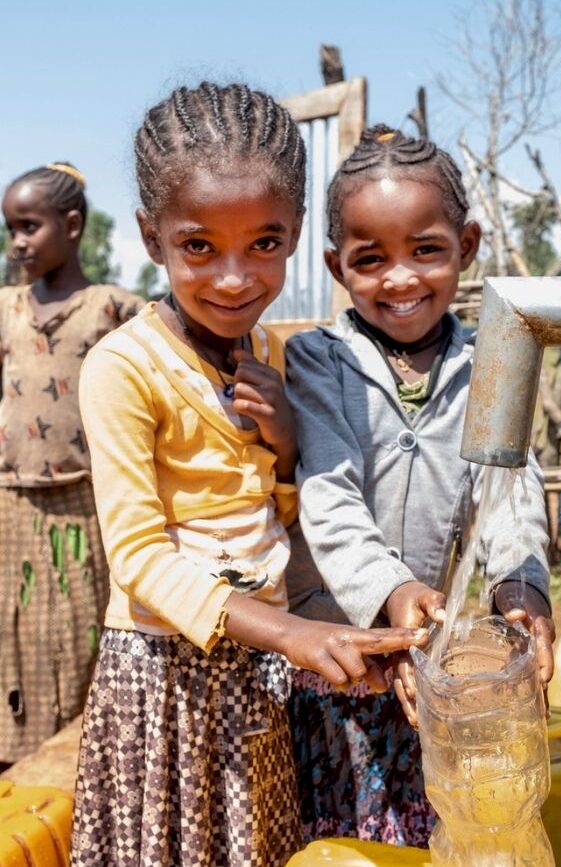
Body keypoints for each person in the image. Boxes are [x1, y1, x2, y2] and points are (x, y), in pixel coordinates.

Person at [70, 83, 425, 867]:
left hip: (257, 675)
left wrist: (289, 444)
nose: (234, 278)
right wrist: (295, 633)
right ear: (152, 237)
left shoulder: (265, 356)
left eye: (264, 244)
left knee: (257, 846)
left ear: (296, 232)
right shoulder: (122, 368)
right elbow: (138, 557)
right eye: (200, 246)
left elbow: (271, 511)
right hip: (165, 679)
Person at [281, 124, 556, 846]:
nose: (400, 278)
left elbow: (512, 489)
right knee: (341, 837)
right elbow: (329, 496)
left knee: (435, 825)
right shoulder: (319, 360)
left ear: (465, 246)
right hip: (339, 663)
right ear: (340, 268)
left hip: (430, 665)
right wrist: (392, 594)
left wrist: (520, 588)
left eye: (425, 251)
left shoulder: (495, 356)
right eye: (372, 260)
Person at [0, 163, 142, 767]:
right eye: (11, 228)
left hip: (87, 506)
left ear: (74, 225)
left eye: (29, 226)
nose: (17, 243)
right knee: (14, 635)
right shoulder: (5, 309)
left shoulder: (116, 311)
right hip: (11, 503)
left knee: (86, 631)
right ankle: (17, 765)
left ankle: (84, 760)